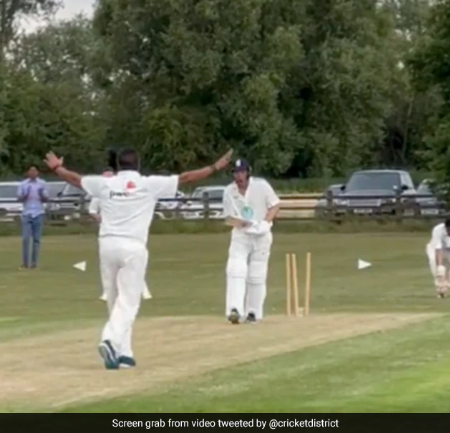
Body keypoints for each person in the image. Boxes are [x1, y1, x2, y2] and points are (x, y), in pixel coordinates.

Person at [43, 147, 233, 369]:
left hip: (107, 245)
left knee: (115, 300)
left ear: (118, 166)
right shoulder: (148, 184)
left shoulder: (106, 183)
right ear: (138, 165)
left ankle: (124, 354)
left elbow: (75, 179)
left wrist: (57, 167)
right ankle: (110, 339)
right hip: (133, 247)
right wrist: (215, 167)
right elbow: (186, 178)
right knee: (129, 301)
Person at [222, 159, 280, 324]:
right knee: (235, 270)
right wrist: (243, 225)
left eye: (241, 172)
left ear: (248, 172)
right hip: (241, 235)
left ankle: (253, 312)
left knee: (257, 275)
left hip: (261, 235)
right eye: (235, 172)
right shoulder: (229, 191)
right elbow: (228, 218)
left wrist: (265, 223)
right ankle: (234, 310)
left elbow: (275, 205)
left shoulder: (261, 186)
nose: (238, 176)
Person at [89, 168, 152, 302]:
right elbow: (92, 210)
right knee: (108, 267)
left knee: (134, 264)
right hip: (110, 234)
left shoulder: (127, 191)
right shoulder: (100, 193)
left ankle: (143, 291)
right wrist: (102, 219)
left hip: (130, 233)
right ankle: (107, 292)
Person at [17, 165, 49, 269]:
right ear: (28, 173)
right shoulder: (23, 184)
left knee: (36, 239)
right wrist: (25, 195)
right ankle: (25, 263)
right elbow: (19, 198)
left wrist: (41, 194)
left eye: (35, 171)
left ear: (37, 173)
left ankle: (34, 263)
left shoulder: (42, 183)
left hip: (38, 212)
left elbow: (46, 199)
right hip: (27, 213)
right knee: (26, 238)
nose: (33, 173)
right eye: (31, 171)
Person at [426, 219, 450, 298]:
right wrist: (439, 266)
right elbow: (438, 249)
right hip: (434, 248)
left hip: (448, 249)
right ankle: (439, 287)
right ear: (445, 227)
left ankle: (446, 285)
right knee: (435, 265)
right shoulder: (438, 230)